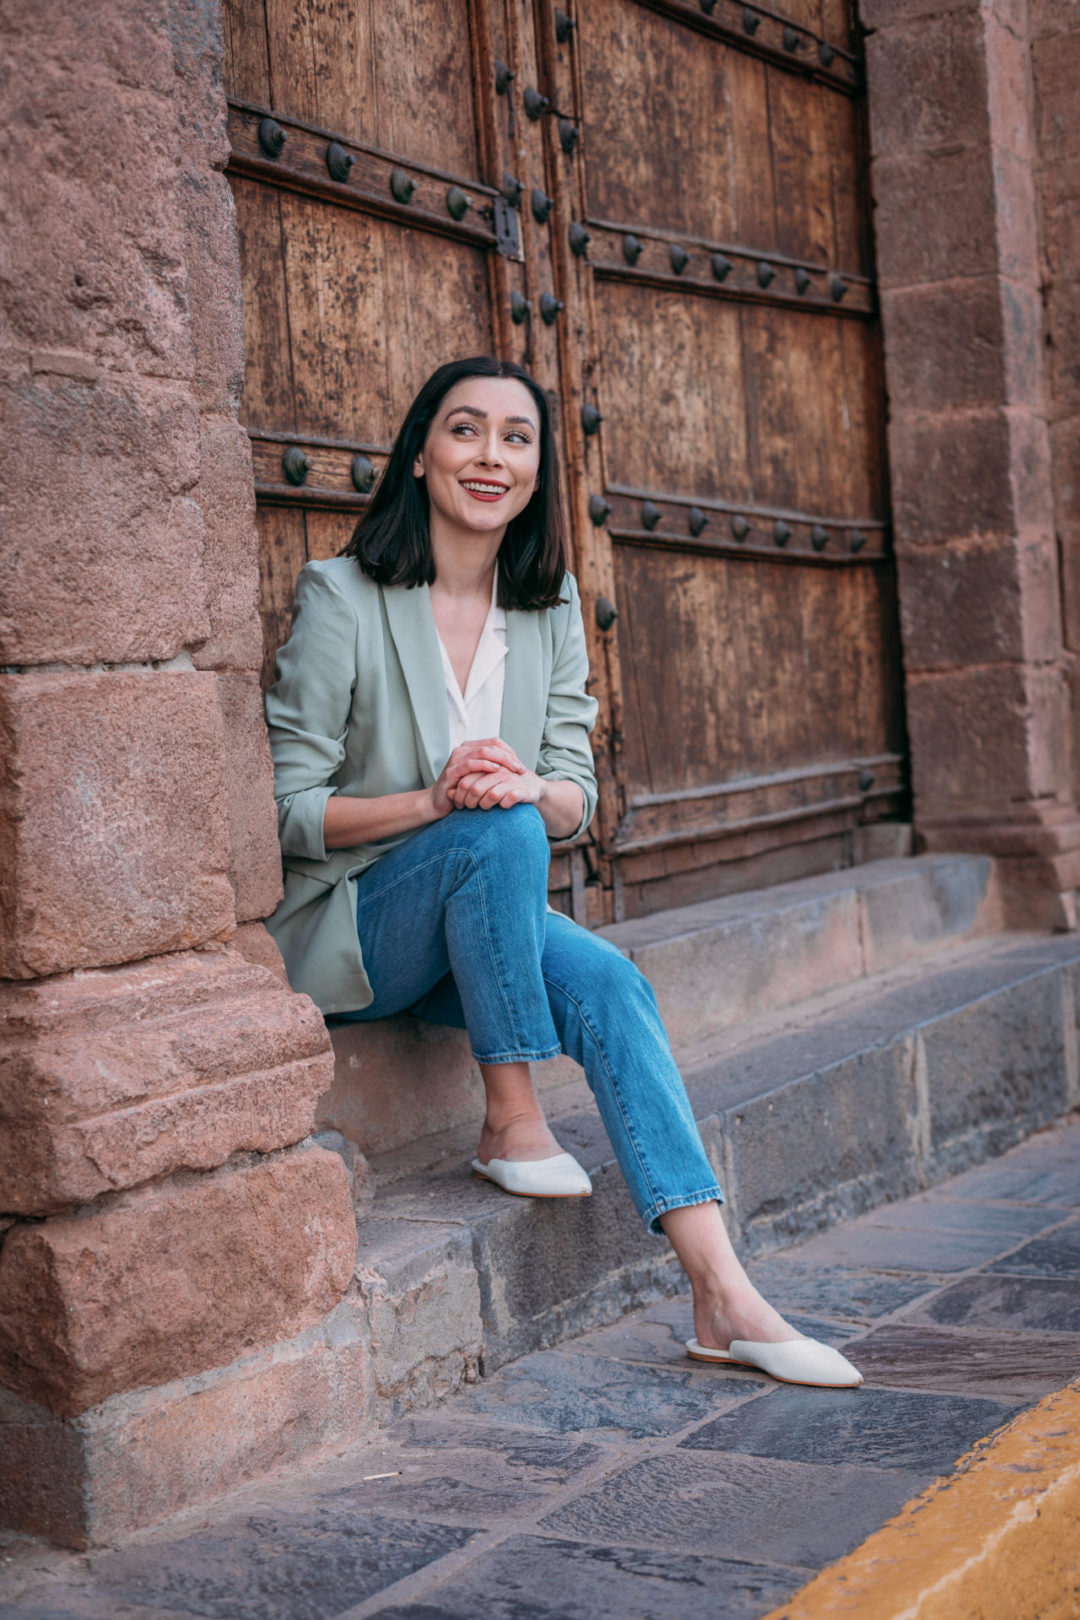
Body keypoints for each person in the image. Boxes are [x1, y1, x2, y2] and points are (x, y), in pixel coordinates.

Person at [264, 355, 862, 1389]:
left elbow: (578, 800)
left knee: (609, 980)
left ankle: (722, 1292)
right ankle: (511, 1114)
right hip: (360, 925)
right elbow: (286, 811)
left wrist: (527, 786)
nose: (490, 454)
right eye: (465, 430)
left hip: (483, 918)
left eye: (516, 437)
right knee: (496, 835)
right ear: (419, 454)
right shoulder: (343, 597)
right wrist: (438, 800)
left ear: (537, 471)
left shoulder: (547, 608)